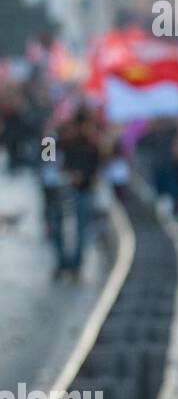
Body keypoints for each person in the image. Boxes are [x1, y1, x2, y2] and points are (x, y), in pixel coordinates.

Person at [50, 108, 101, 281]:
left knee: (81, 231)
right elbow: (47, 159)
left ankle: (76, 266)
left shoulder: (94, 144)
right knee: (57, 228)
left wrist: (83, 176)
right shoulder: (64, 141)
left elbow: (98, 166)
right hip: (63, 190)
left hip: (84, 191)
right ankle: (62, 262)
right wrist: (50, 134)